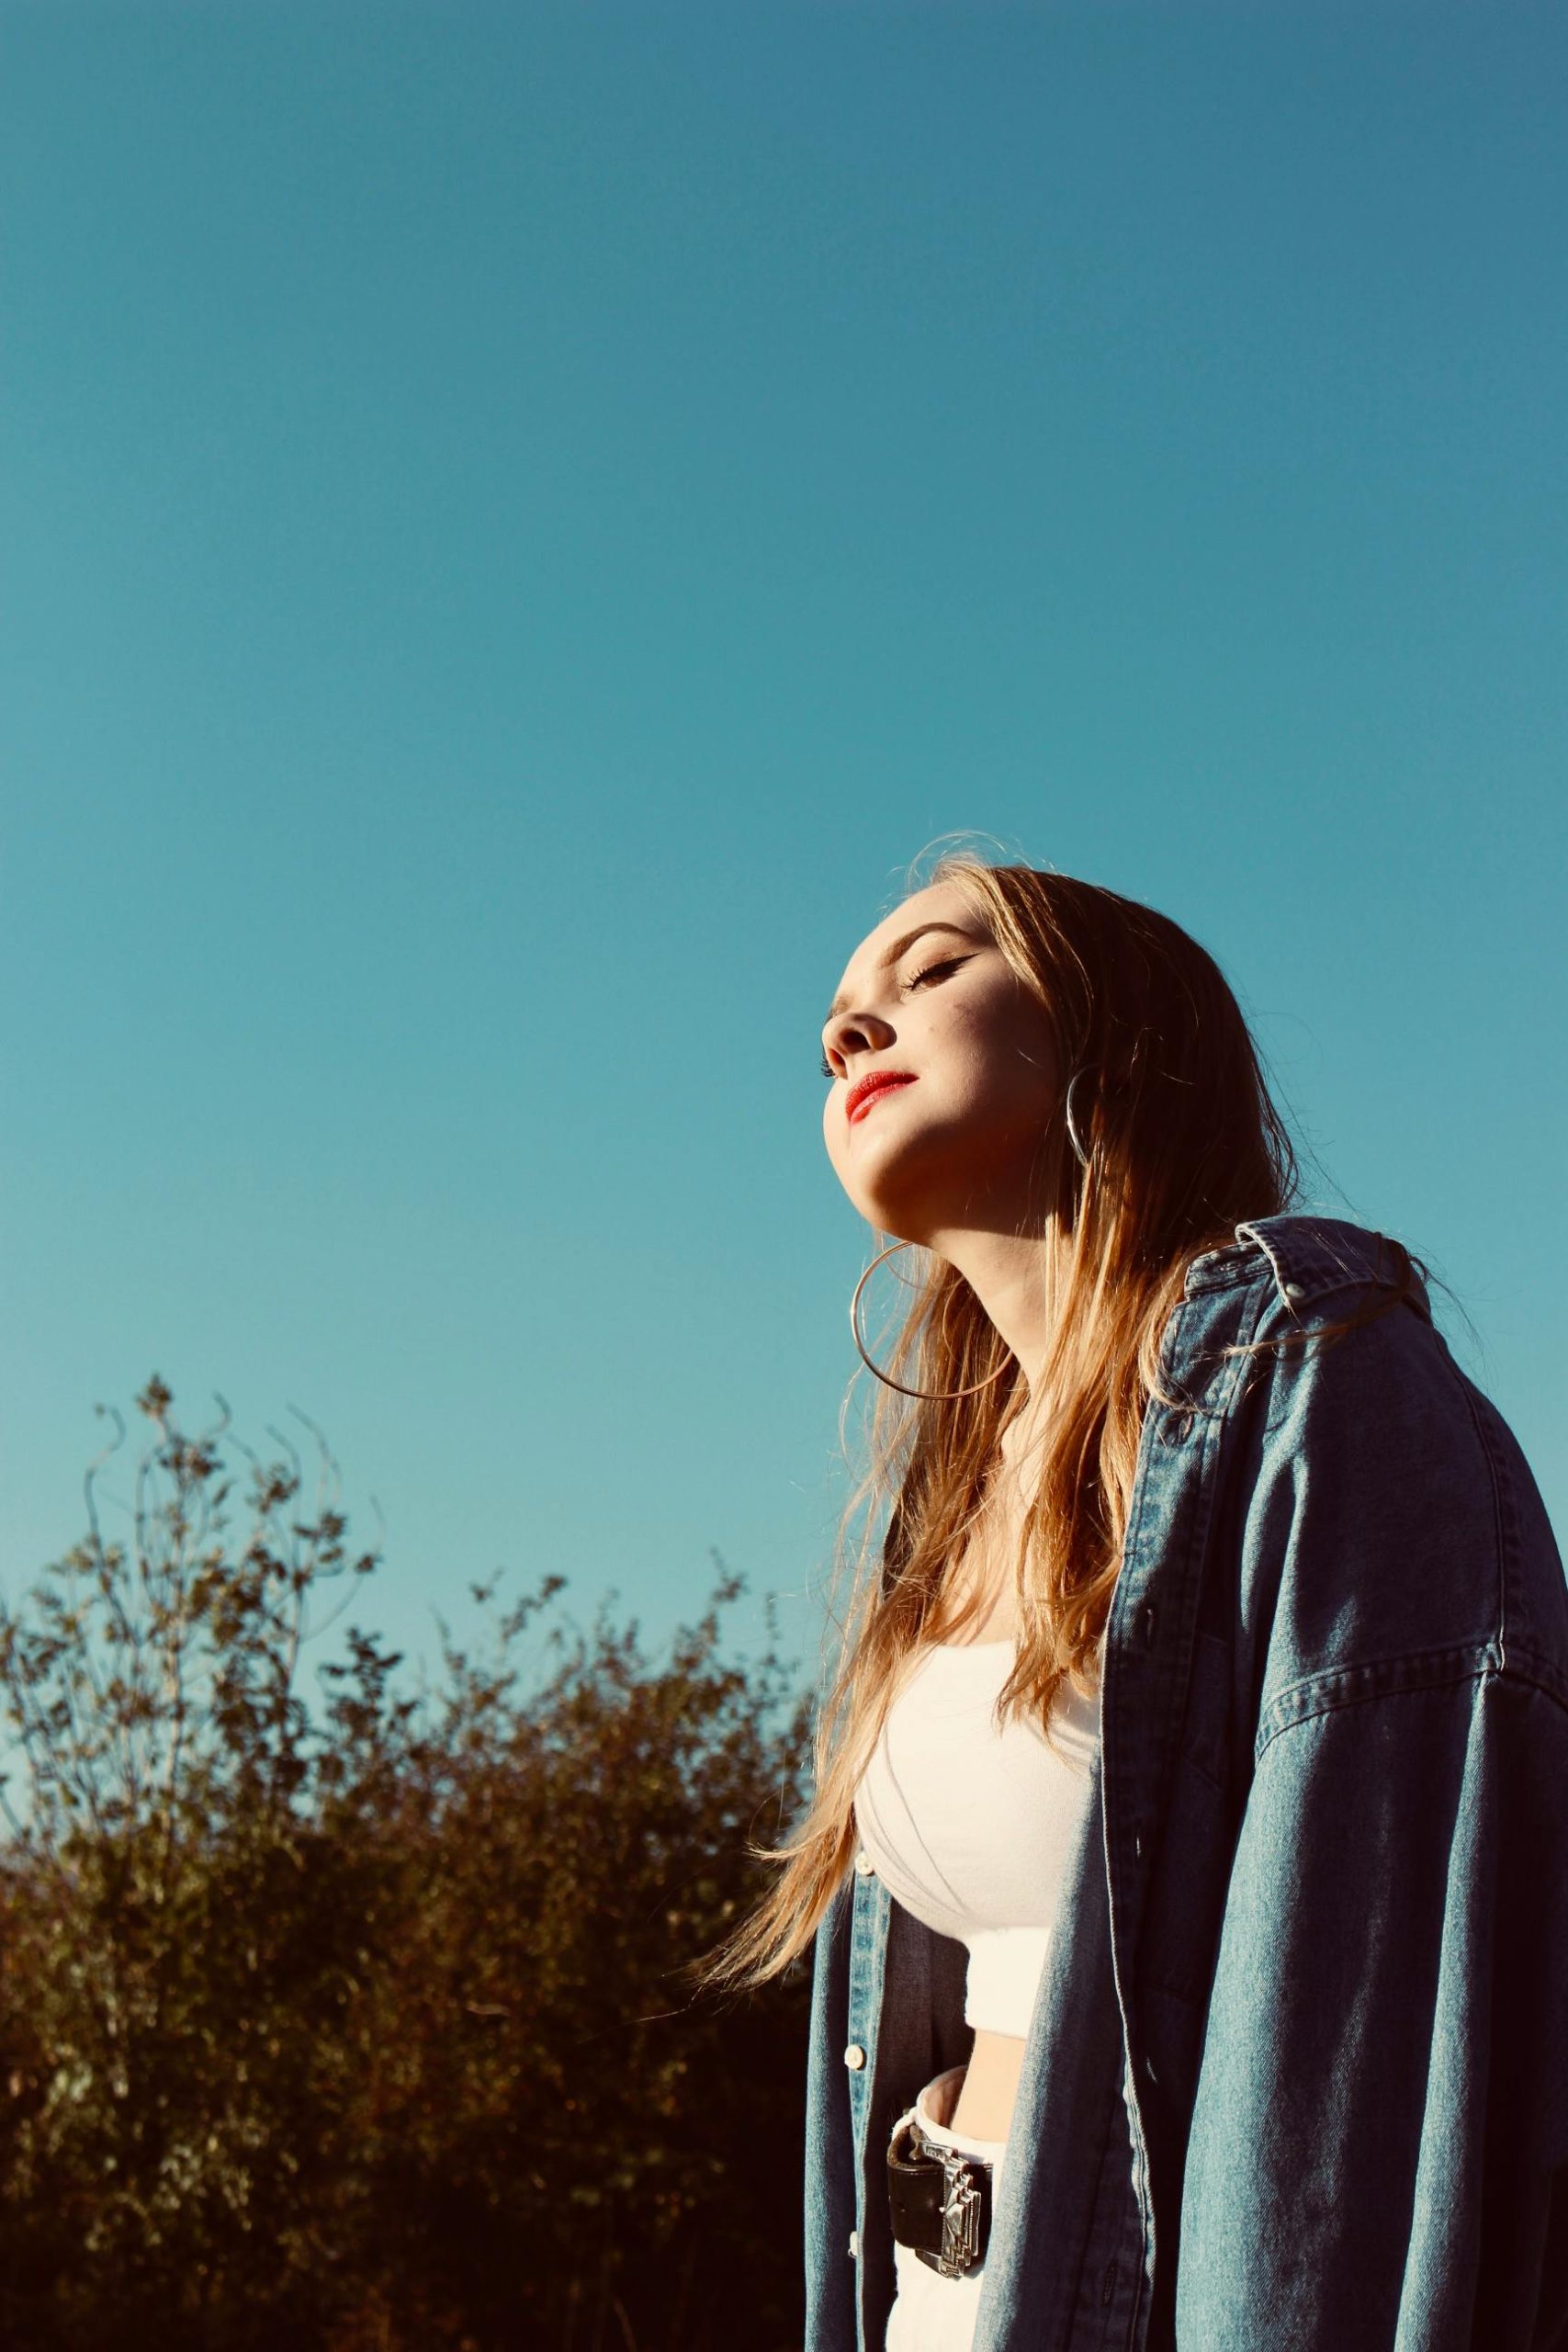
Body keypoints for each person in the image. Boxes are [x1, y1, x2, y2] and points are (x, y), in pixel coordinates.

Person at [696, 852, 1568, 2352]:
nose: (852, 1031)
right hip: (933, 2294)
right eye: (840, 1016)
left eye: (935, 968)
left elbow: (1386, 2046)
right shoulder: (946, 1506)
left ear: (1109, 1031)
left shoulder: (1320, 1386)